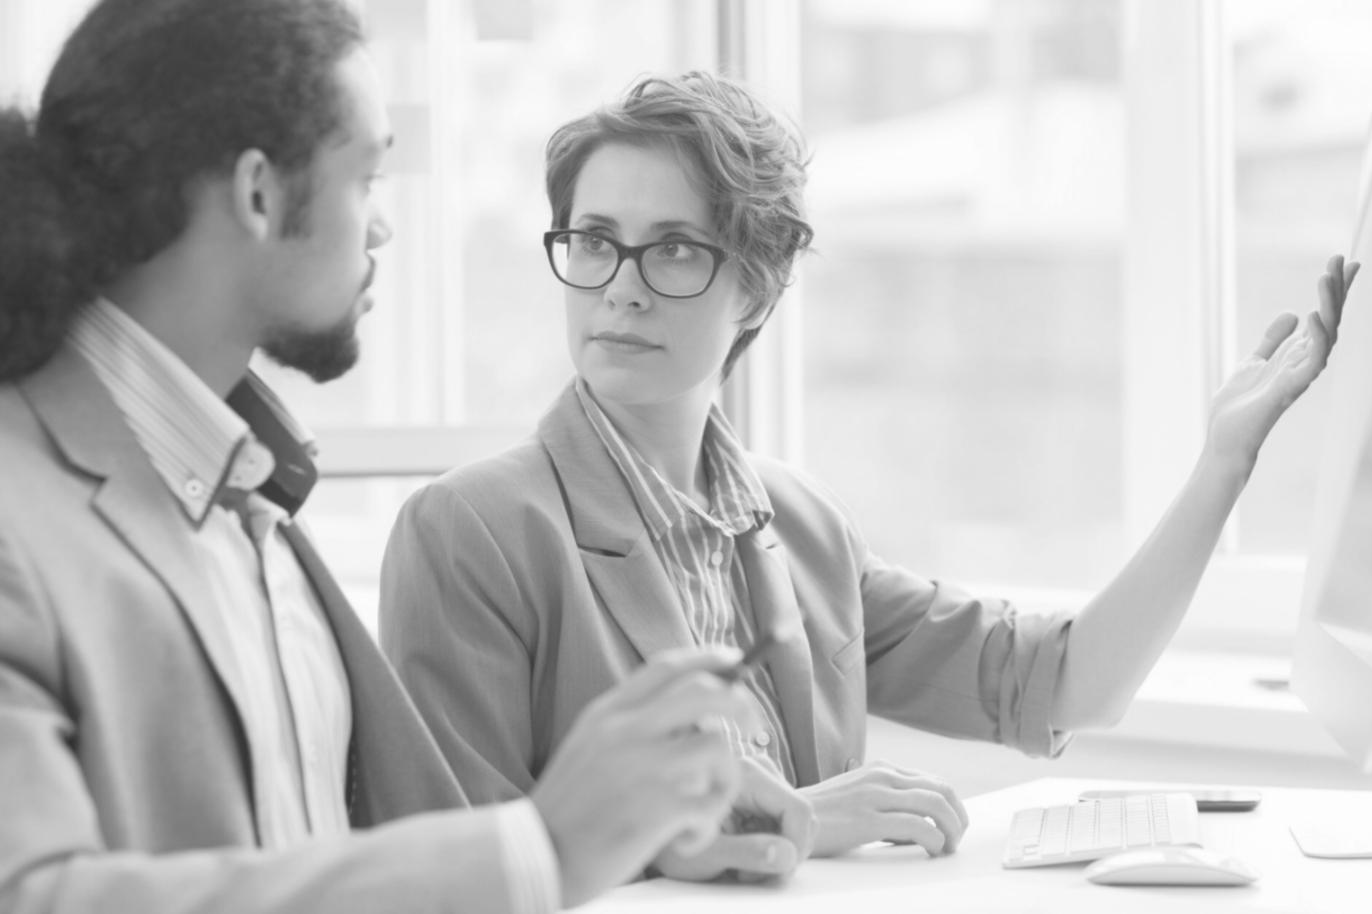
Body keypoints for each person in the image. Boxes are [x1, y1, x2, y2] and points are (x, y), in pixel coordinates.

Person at [378, 72, 1354, 859]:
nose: (621, 290)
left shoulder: (797, 523)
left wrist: (1224, 462)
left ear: (758, 287)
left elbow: (1059, 684)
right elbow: (462, 864)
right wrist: (787, 817)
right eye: (595, 242)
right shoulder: (471, 531)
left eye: (674, 249)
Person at [0, 5, 812, 913]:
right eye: (368, 176)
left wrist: (645, 839)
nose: (383, 229)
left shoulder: (247, 505)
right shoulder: (20, 512)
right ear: (259, 193)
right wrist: (544, 850)